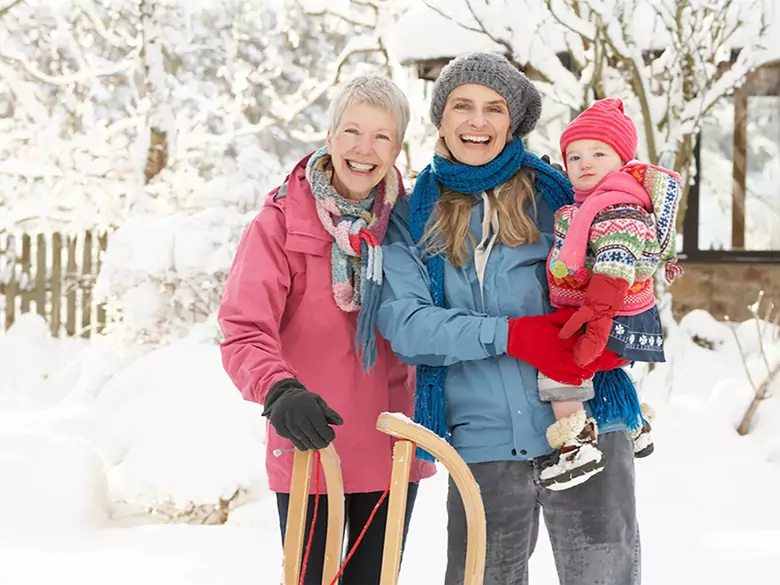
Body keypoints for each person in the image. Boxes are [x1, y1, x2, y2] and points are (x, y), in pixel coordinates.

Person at [376, 52, 641, 585]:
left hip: (584, 427)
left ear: (513, 121)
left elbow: (625, 262)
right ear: (441, 117)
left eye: (494, 108)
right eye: (462, 106)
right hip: (483, 444)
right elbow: (406, 324)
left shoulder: (560, 195)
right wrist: (511, 335)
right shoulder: (412, 211)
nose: (477, 121)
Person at [218, 75, 435, 585]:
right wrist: (279, 389)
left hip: (392, 445)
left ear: (398, 146)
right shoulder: (279, 223)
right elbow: (243, 329)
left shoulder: (413, 223)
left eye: (382, 136)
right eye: (353, 132)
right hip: (311, 441)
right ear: (330, 135)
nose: (365, 149)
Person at [537, 97, 683, 490]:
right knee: (604, 371)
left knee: (559, 364)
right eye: (575, 156)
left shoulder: (618, 207)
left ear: (622, 161)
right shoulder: (594, 203)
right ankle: (634, 424)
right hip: (617, 312)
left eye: (599, 153)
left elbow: (615, 263)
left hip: (608, 311)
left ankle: (575, 445)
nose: (585, 163)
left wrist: (598, 319)